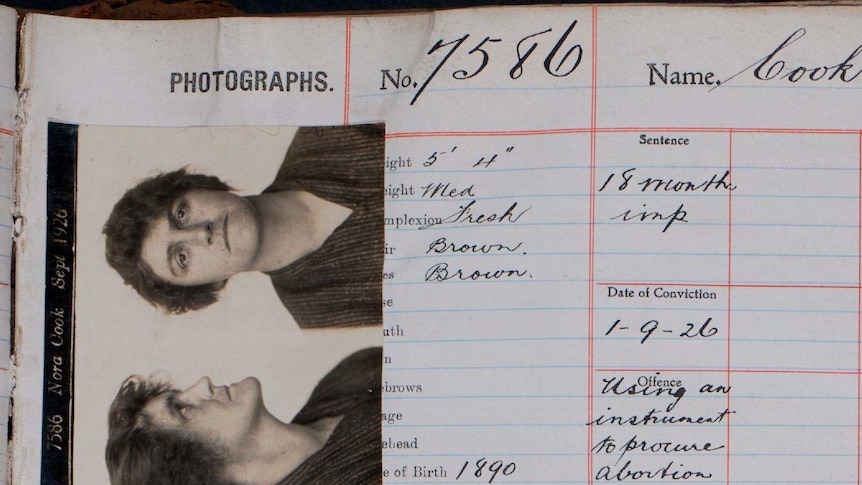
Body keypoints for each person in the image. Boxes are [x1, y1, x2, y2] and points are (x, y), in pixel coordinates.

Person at [103, 124, 383, 328]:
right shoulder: (322, 317)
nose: (202, 233)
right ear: (206, 285)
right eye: (182, 257)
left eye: (182, 213)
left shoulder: (325, 131)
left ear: (201, 186)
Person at [105, 347, 382, 485]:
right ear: (196, 471)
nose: (202, 383)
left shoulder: (342, 378)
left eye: (180, 394)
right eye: (182, 410)